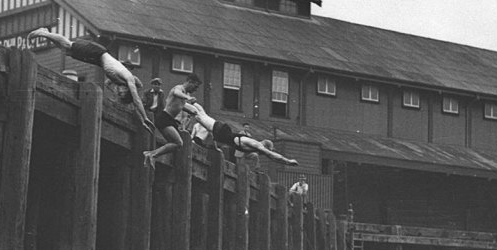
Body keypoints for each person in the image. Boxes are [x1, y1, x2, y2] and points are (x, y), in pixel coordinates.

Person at [27, 28, 155, 135]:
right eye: (121, 93)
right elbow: (137, 98)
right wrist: (145, 118)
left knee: (67, 52)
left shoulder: (121, 81)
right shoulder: (129, 79)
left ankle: (48, 34)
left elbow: (132, 95)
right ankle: (44, 33)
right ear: (126, 89)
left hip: (96, 59)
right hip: (98, 52)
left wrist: (141, 120)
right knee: (68, 45)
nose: (118, 92)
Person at [183, 102, 299, 166]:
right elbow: (271, 155)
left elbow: (271, 155)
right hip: (221, 131)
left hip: (222, 133)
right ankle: (181, 102)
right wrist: (287, 161)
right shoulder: (255, 144)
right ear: (263, 146)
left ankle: (191, 101)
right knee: (198, 115)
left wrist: (286, 161)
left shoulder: (252, 148)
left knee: (201, 113)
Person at [143, 74, 202, 168]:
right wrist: (188, 98)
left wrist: (194, 112)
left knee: (176, 144)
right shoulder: (179, 88)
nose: (195, 90)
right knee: (178, 143)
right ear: (190, 82)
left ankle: (150, 154)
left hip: (170, 120)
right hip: (164, 118)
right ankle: (151, 155)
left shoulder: (184, 95)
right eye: (195, 87)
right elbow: (176, 93)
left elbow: (182, 106)